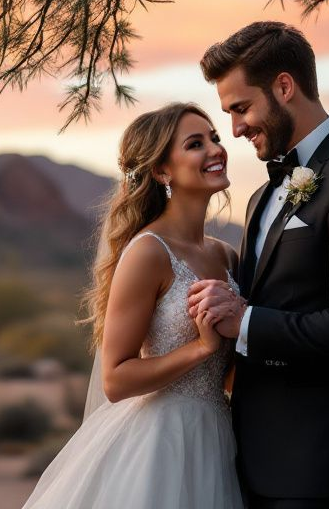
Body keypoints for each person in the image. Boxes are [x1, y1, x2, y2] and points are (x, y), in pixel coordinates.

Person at [188, 22, 329, 509]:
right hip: (249, 460)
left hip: (322, 464)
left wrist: (243, 321)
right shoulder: (261, 197)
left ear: (284, 87)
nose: (236, 129)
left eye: (241, 108)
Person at [23, 103, 244, 508]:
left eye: (215, 138)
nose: (215, 149)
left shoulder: (228, 257)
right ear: (162, 172)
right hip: (158, 443)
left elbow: (228, 374)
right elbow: (116, 379)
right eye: (196, 144)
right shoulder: (149, 252)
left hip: (217, 437)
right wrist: (201, 347)